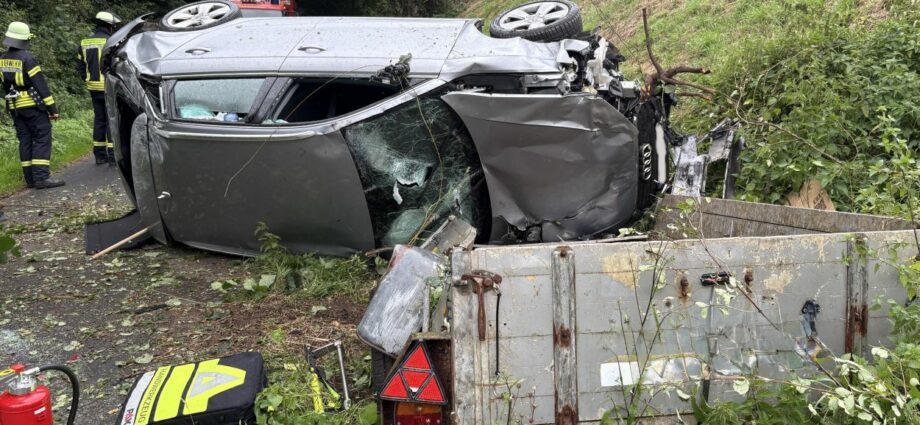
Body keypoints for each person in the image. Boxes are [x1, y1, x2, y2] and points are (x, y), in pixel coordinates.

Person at [1, 22, 65, 189]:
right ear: (24, 39)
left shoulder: (2, 59)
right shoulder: (28, 59)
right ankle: (41, 177)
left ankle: (30, 179)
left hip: (14, 106)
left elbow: (5, 86)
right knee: (42, 137)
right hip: (32, 106)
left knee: (25, 140)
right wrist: (52, 109)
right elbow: (40, 86)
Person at [78, 11, 120, 165]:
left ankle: (100, 155)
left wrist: (87, 79)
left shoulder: (84, 42)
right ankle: (113, 156)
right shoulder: (112, 41)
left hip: (93, 87)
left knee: (99, 119)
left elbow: (80, 66)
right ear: (109, 26)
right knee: (112, 119)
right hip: (108, 86)